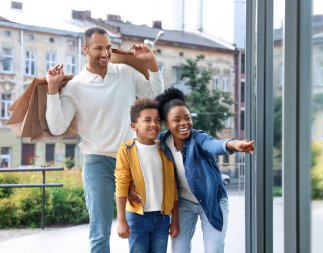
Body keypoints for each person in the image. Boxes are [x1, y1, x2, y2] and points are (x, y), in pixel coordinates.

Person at [45, 27, 164, 253]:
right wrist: (53, 87)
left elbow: (156, 98)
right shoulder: (75, 87)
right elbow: (57, 126)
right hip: (97, 162)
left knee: (141, 224)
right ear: (85, 49)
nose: (105, 53)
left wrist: (152, 64)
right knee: (100, 232)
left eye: (108, 47)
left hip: (131, 160)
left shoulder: (125, 73)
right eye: (99, 47)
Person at [128, 88, 255, 253]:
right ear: (167, 123)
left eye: (187, 118)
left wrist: (233, 144)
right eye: (177, 119)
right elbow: (139, 154)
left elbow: (213, 144)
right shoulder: (161, 143)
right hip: (184, 204)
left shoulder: (198, 138)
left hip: (212, 201)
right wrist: (130, 184)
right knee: (179, 250)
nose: (184, 123)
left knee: (214, 249)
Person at [115, 98, 179, 253]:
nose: (153, 124)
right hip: (138, 218)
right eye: (147, 120)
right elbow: (122, 184)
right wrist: (121, 220)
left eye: (157, 120)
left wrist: (174, 220)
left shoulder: (164, 149)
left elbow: (173, 186)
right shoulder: (126, 149)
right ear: (134, 126)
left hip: (163, 218)